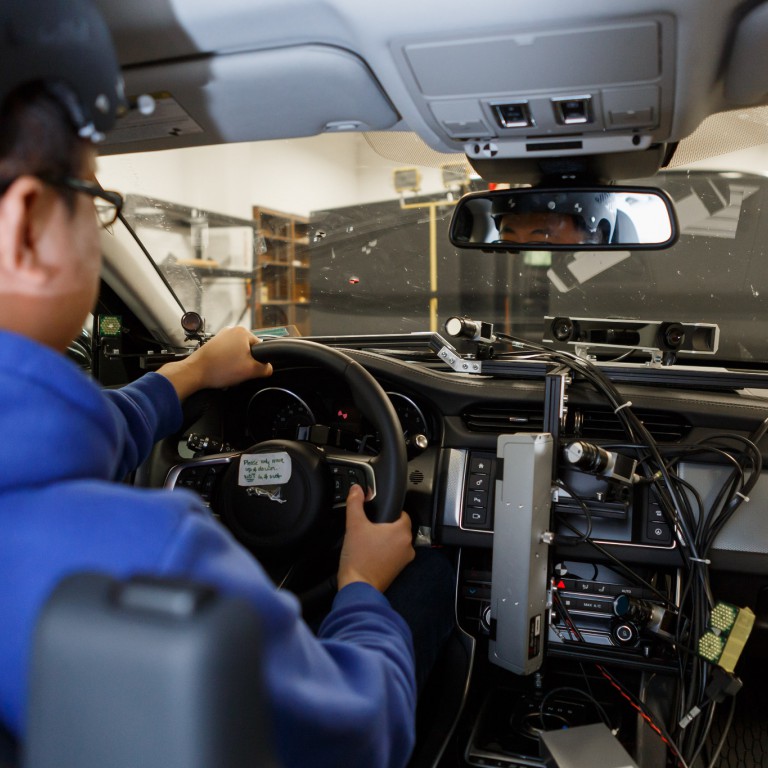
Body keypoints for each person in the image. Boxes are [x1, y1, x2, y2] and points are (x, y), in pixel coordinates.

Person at [0, 1, 452, 766]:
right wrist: (360, 587)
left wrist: (193, 373)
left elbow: (65, 437)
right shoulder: (155, 559)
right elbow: (360, 730)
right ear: (29, 226)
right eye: (98, 202)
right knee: (429, 581)